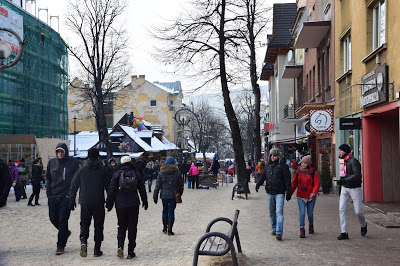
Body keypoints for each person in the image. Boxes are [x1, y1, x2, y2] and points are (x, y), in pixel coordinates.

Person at [69, 148, 110, 258]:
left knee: (84, 223)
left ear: (87, 157)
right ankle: (97, 249)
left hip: (85, 201)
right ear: (98, 157)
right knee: (99, 225)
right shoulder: (103, 170)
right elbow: (108, 186)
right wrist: (110, 201)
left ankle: (83, 242)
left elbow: (73, 185)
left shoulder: (82, 169)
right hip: (99, 201)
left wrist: (71, 199)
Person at [106, 155, 148, 259]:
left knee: (121, 226)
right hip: (133, 203)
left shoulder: (116, 174)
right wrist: (145, 201)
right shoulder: (136, 173)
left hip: (120, 204)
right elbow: (142, 189)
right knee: (132, 227)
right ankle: (131, 251)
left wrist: (109, 203)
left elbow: (111, 190)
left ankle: (120, 246)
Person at [46, 143, 80, 255]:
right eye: (58, 151)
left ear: (65, 152)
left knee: (62, 220)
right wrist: (49, 193)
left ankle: (60, 245)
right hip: (53, 196)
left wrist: (71, 196)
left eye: (62, 151)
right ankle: (65, 232)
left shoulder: (73, 162)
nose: (60, 154)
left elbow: (75, 180)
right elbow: (48, 179)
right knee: (52, 218)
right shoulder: (51, 162)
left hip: (65, 196)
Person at [255, 148, 291, 241]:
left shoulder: (283, 166)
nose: (272, 157)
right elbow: (263, 176)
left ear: (278, 156)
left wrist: (288, 191)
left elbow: (287, 180)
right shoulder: (267, 166)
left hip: (279, 192)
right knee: (272, 212)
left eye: (274, 155)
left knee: (279, 212)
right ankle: (274, 228)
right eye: (271, 155)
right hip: (270, 192)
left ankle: (279, 232)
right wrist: (258, 184)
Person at [337, 144, 367, 240]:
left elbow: (357, 175)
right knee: (341, 209)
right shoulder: (342, 161)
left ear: (345, 151)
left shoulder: (353, 161)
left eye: (341, 150)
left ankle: (363, 224)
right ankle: (344, 232)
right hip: (345, 188)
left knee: (358, 211)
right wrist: (341, 183)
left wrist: (344, 180)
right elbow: (343, 174)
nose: (339, 152)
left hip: (354, 188)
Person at [290, 155, 320, 238]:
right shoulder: (298, 172)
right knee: (302, 213)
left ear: (308, 164)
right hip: (301, 196)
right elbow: (294, 184)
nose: (303, 164)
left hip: (311, 197)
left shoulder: (313, 173)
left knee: (310, 214)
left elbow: (317, 184)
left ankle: (311, 225)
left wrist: (314, 193)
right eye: (302, 162)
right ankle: (302, 229)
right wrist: (289, 194)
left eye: (305, 163)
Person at [153, 156, 184, 236]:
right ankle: (170, 230)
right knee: (171, 212)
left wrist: (155, 195)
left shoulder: (161, 173)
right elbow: (181, 185)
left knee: (164, 210)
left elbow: (157, 186)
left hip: (164, 195)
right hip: (173, 195)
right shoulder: (177, 173)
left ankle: (164, 228)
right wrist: (179, 193)